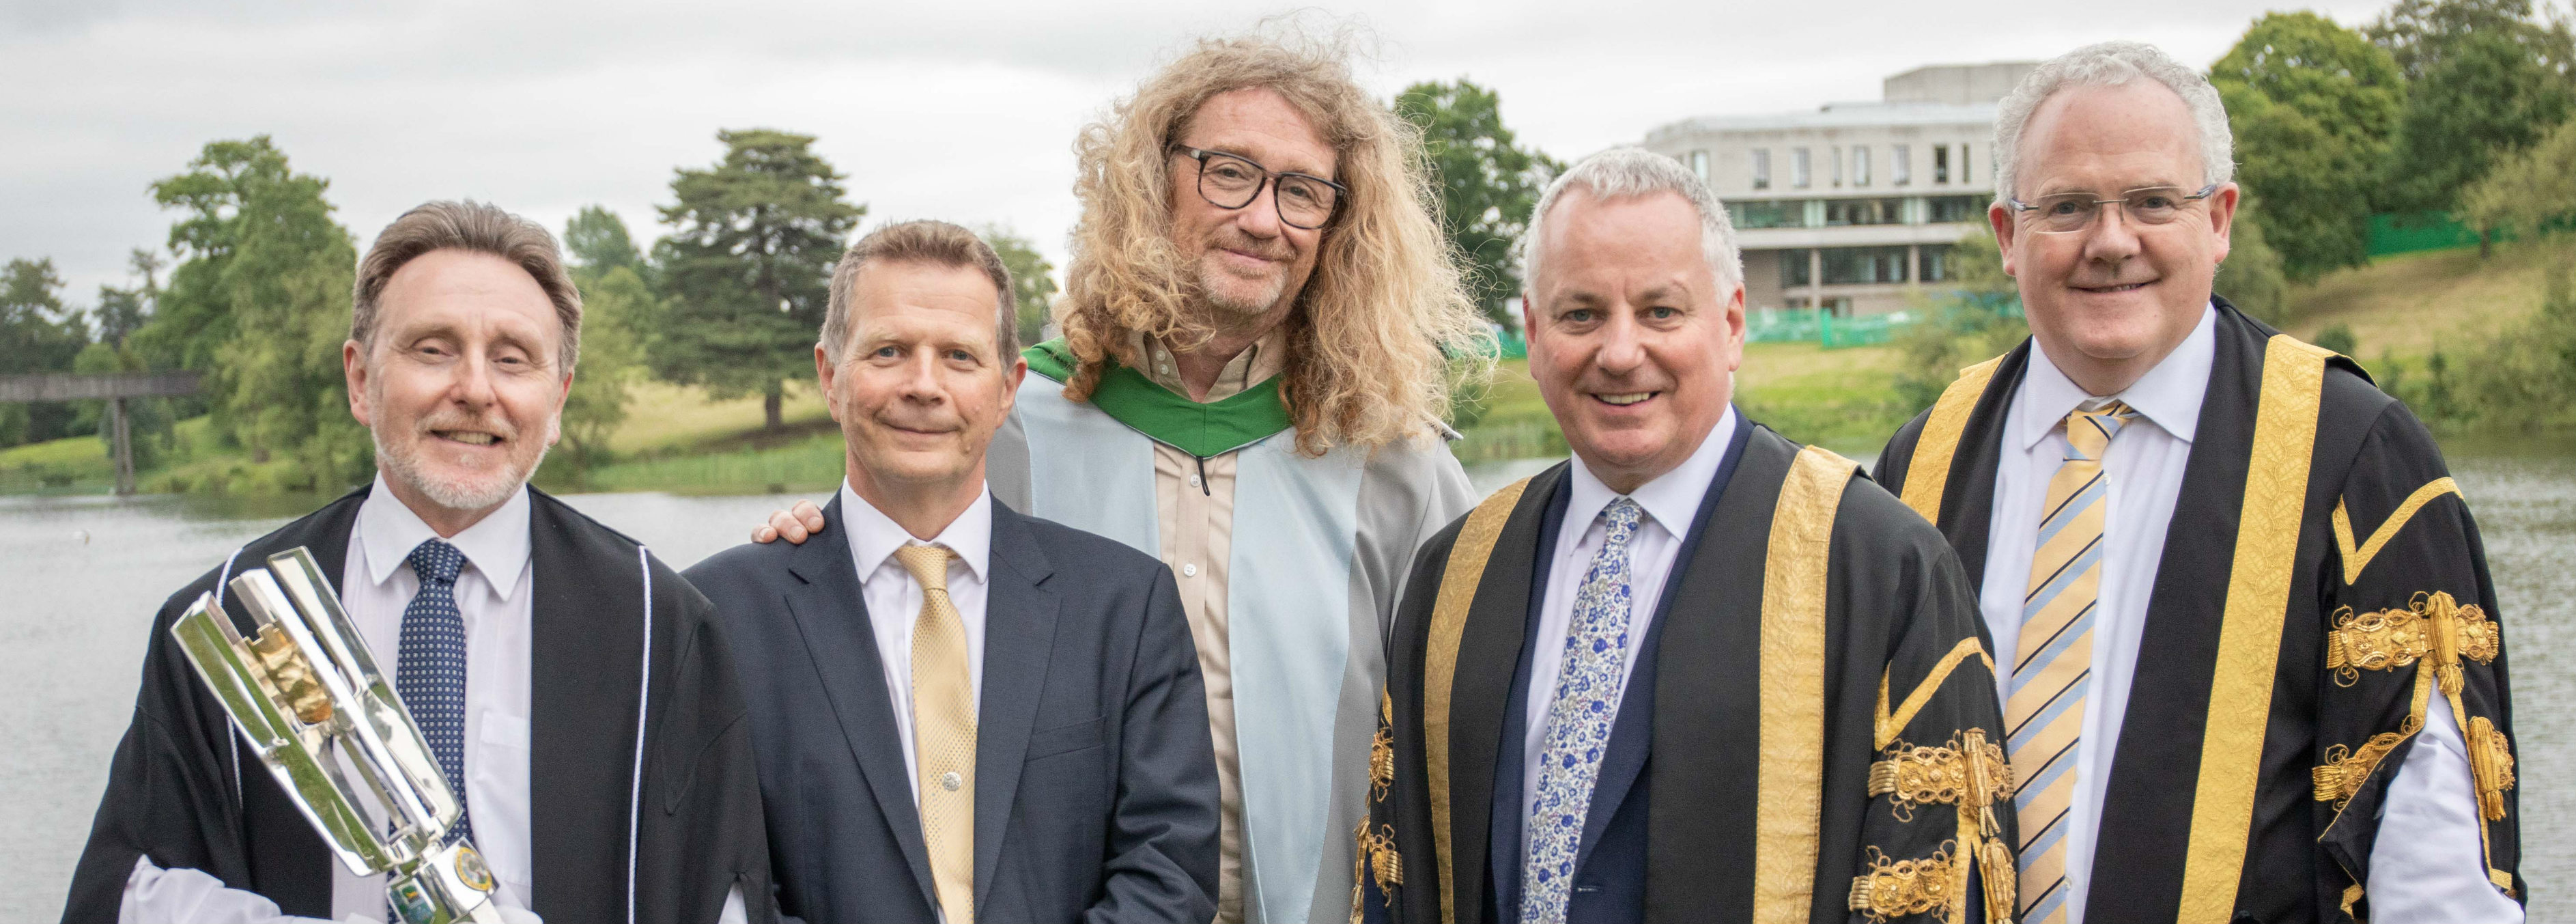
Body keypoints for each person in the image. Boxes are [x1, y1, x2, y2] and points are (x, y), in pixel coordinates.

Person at [756, 31, 1488, 923]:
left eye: (1303, 191)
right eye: (1228, 172)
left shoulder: (1393, 461)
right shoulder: (1015, 425)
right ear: (1152, 180)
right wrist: (815, 546)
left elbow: (1471, 720)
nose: (1264, 218)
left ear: (1340, 223)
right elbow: (887, 583)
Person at [1873, 42, 2522, 924]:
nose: (2110, 242)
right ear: (2005, 235)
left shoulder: (2352, 453)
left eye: (2152, 202)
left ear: (2217, 220)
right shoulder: (1924, 461)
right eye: (2066, 207)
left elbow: (2427, 839)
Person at [62, 201, 769, 924]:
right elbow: (123, 894)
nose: (473, 389)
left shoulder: (656, 623)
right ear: (360, 379)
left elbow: (722, 899)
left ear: (556, 400)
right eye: (432, 349)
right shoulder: (237, 617)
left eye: (511, 358)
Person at [1358, 148, 2013, 924]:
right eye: (1581, 314)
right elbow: (1399, 879)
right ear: (1532, 334)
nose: (1620, 351)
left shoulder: (1877, 566)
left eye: (1661, 311)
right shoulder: (1456, 573)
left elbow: (1927, 887)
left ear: (1731, 324)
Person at [687, 220, 1219, 923]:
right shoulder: (714, 616)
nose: (923, 385)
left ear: (1007, 387)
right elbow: (714, 882)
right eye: (888, 351)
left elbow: (1169, 867)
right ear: (829, 376)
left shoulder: (1123, 607)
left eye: (959, 357)